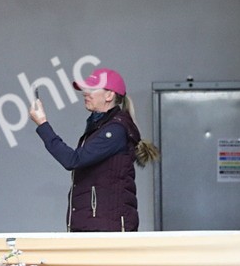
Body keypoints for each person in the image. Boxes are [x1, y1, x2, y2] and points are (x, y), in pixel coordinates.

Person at [28, 67, 159, 232]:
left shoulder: (115, 130)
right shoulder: (102, 128)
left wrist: (43, 124)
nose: (85, 93)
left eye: (91, 89)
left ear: (109, 95)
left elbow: (72, 160)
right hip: (96, 226)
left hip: (106, 229)